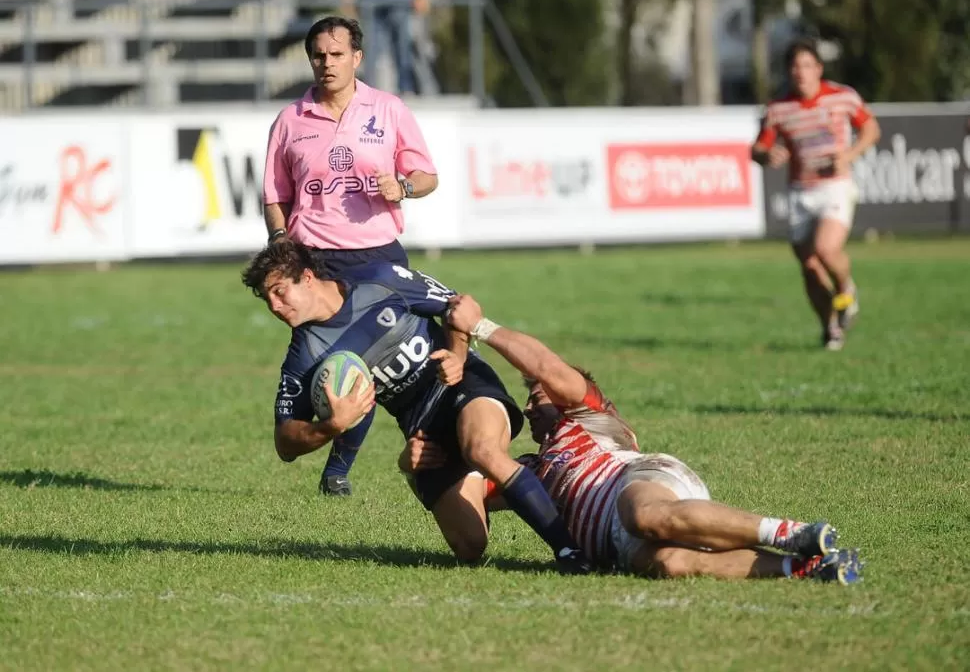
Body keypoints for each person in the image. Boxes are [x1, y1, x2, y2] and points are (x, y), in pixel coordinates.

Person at [400, 293, 864, 583]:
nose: (529, 406)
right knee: (671, 564)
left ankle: (796, 533)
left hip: (638, 483)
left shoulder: (590, 415)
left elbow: (546, 368)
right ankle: (804, 567)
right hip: (616, 546)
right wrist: (418, 466)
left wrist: (481, 328)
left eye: (538, 398)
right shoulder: (529, 472)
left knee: (645, 515)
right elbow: (465, 501)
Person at [240, 242, 591, 574]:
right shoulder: (304, 356)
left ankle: (569, 551)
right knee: (470, 546)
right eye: (265, 298)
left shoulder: (381, 281)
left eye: (279, 291)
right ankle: (516, 477)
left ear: (308, 277)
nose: (273, 306)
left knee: (481, 448)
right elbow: (285, 442)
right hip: (421, 427)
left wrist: (456, 354)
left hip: (463, 384)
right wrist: (330, 426)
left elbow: (458, 306)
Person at [263, 15, 438, 495]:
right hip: (316, 260)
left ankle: (435, 442)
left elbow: (427, 177)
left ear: (357, 58)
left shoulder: (389, 109)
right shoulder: (290, 121)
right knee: (336, 368)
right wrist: (281, 243)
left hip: (379, 255)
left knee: (395, 359)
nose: (327, 63)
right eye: (319, 55)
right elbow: (276, 195)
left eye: (337, 54)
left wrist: (401, 186)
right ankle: (338, 469)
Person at [751, 38, 881, 351]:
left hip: (834, 186)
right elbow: (757, 148)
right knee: (809, 268)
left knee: (825, 249)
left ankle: (846, 288)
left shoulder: (842, 97)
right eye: (795, 66)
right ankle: (830, 328)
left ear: (819, 69)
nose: (801, 72)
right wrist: (767, 156)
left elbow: (871, 129)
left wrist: (849, 154)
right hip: (800, 194)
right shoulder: (779, 108)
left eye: (807, 65)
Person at [340, 0, 430, 95]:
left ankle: (405, 88)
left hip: (400, 0)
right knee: (372, 50)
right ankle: (368, 90)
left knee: (403, 48)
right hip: (373, 0)